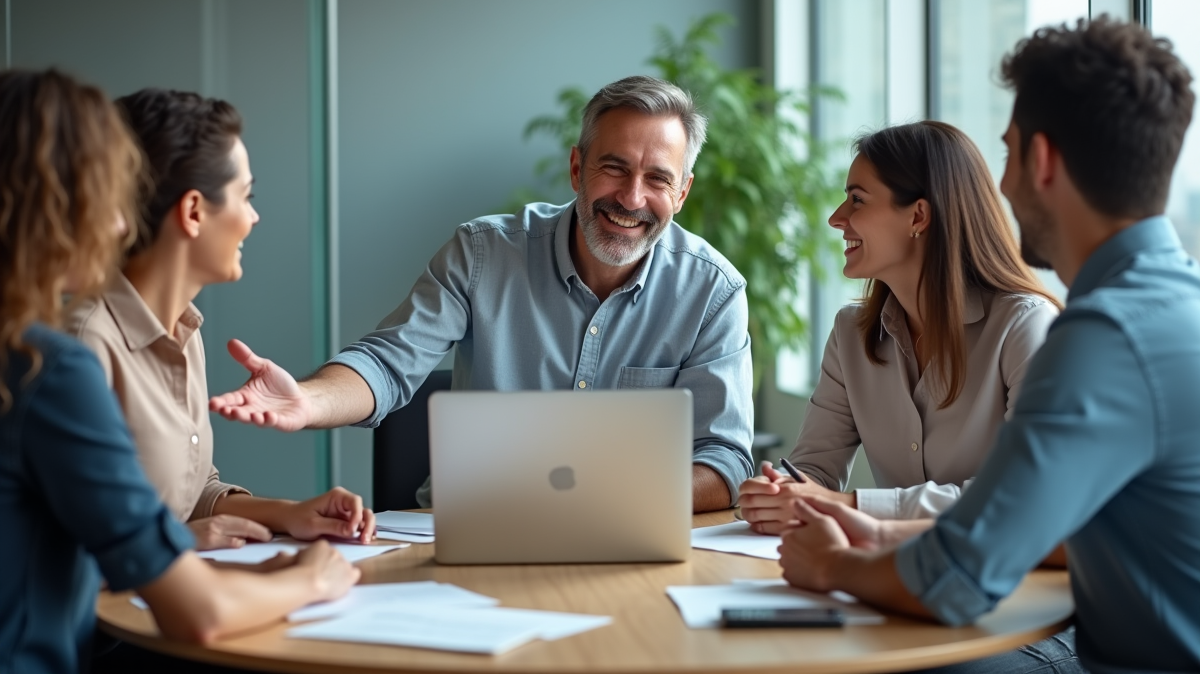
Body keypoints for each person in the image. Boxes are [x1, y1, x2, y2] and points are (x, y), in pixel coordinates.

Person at [778, 16, 1200, 674]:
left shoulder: (1101, 339)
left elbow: (960, 579)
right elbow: (1056, 533)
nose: (999, 186)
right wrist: (884, 532)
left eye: (1006, 154)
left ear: (1041, 160)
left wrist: (831, 562)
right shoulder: (1173, 308)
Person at [210, 75, 754, 511]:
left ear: (680, 193)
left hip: (631, 531)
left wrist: (607, 501)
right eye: (613, 168)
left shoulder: (713, 291)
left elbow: (725, 458)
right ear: (576, 169)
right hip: (470, 529)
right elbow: (388, 362)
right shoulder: (483, 253)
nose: (631, 197)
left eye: (657, 179)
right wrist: (307, 401)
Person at [0, 69, 359, 674]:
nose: (119, 225)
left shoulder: (46, 353)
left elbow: (173, 495)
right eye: (105, 196)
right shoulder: (54, 363)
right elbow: (197, 612)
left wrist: (281, 517)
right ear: (55, 207)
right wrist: (310, 579)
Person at [64, 88, 375, 551]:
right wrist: (181, 541)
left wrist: (290, 513)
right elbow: (65, 545)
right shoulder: (84, 345)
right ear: (193, 212)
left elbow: (186, 493)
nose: (253, 217)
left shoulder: (183, 330)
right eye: (244, 196)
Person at [738, 121, 1060, 532]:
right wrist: (783, 494)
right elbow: (814, 470)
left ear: (918, 215)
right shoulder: (850, 334)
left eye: (857, 200)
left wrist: (848, 504)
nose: (837, 219)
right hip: (883, 572)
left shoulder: (1026, 327)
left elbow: (1021, 496)